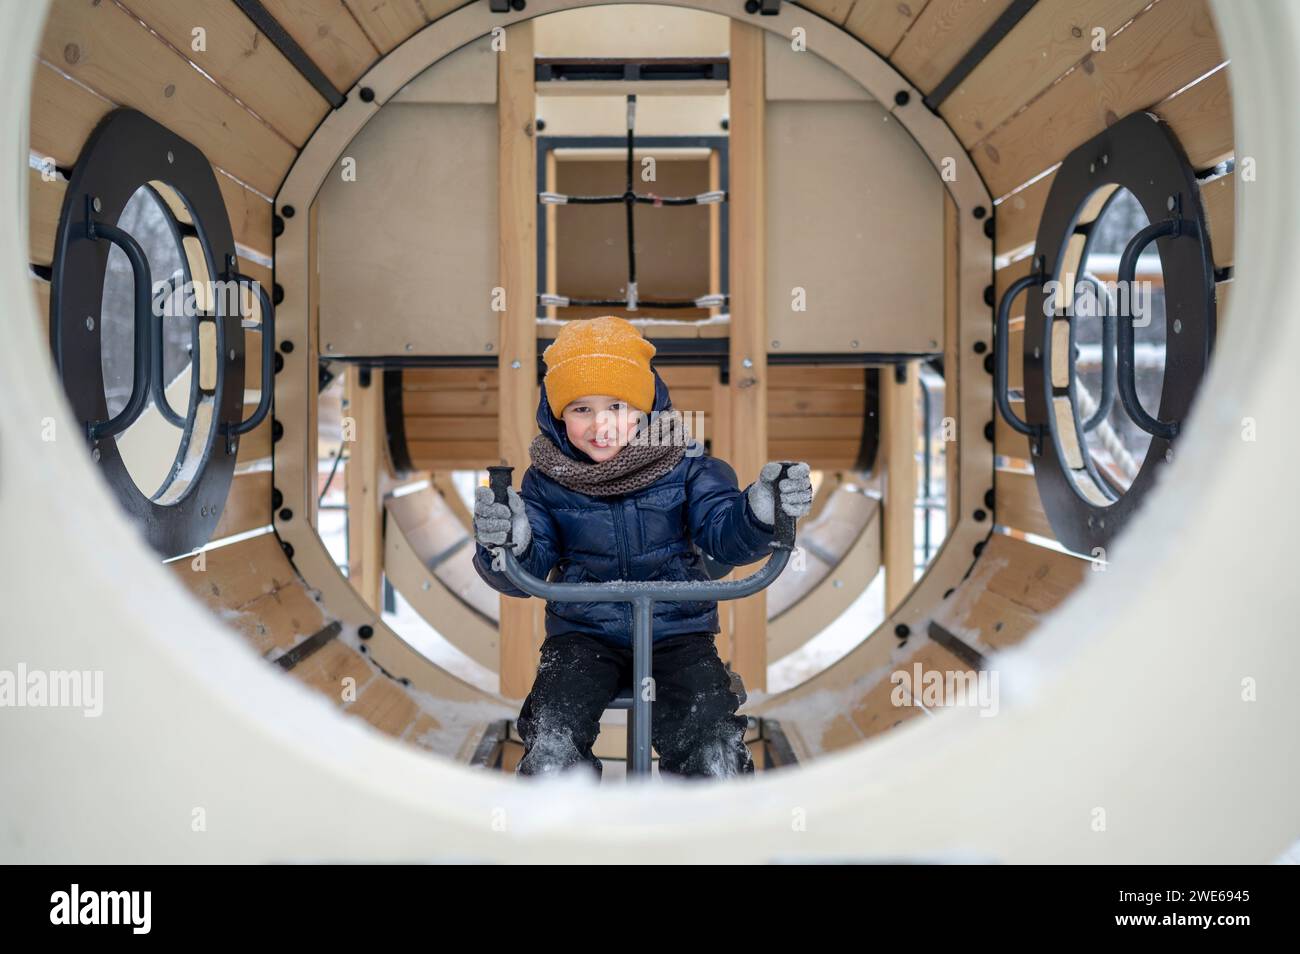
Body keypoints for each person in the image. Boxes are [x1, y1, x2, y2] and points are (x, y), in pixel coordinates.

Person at [471, 315, 813, 780]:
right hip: (584, 635)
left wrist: (759, 513)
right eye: (581, 409)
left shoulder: (688, 466)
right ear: (556, 415)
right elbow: (526, 567)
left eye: (616, 405)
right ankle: (557, 816)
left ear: (645, 407)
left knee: (709, 737)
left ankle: (709, 818)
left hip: (677, 634)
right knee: (555, 730)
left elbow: (722, 533)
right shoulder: (546, 481)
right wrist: (508, 540)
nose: (601, 426)